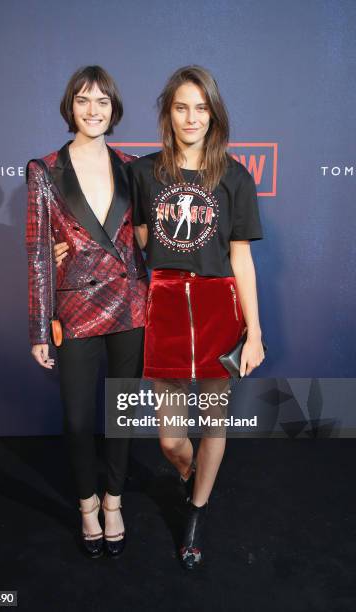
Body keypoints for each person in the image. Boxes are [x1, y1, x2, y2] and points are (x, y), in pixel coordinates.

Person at [127, 65, 265, 570]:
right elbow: (133, 239)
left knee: (213, 423)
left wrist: (255, 332)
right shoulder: (143, 173)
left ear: (214, 114)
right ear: (168, 113)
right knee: (170, 439)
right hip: (163, 308)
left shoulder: (234, 176)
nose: (191, 117)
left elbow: (242, 260)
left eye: (201, 107)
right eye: (181, 107)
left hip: (216, 310)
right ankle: (189, 477)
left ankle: (196, 512)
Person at [26, 65, 148, 559]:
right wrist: (39, 327)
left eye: (102, 101)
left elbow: (144, 239)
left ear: (114, 109)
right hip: (76, 306)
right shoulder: (45, 170)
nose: (93, 110)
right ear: (70, 107)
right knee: (78, 419)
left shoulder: (133, 166)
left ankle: (114, 502)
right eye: (83, 101)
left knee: (121, 415)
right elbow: (37, 252)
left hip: (131, 305)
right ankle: (86, 506)